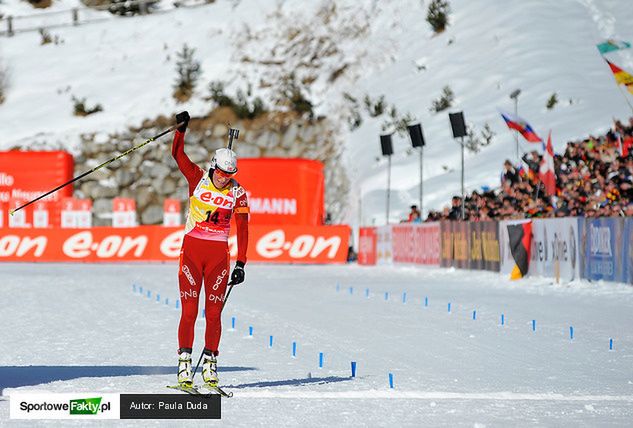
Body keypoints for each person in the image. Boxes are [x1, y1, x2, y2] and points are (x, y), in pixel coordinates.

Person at [171, 111, 249, 388]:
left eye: (230, 175)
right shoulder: (197, 178)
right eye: (222, 174)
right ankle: (184, 363)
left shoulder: (238, 192)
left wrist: (241, 263)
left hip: (218, 260)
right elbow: (178, 155)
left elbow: (243, 227)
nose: (225, 180)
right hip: (191, 256)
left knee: (214, 314)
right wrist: (181, 130)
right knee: (189, 312)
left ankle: (210, 365)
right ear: (214, 167)